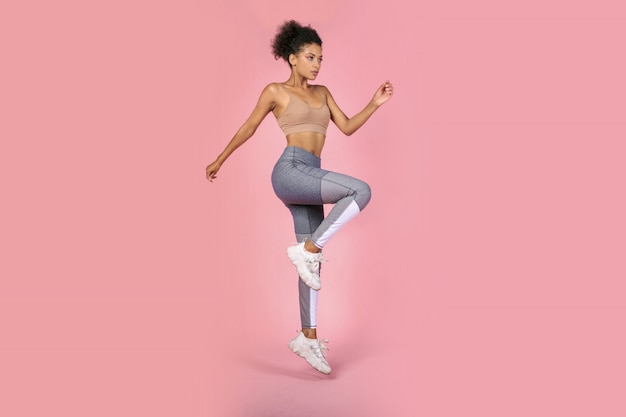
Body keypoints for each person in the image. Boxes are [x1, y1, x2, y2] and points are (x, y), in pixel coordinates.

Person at [205, 20, 393, 374]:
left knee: (312, 269)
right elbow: (249, 126)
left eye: (320, 58)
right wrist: (220, 158)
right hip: (291, 170)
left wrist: (375, 103)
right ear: (292, 58)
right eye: (310, 57)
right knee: (360, 190)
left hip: (310, 172)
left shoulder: (322, 93)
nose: (317, 64)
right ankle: (306, 250)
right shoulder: (275, 90)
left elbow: (348, 126)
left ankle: (307, 338)